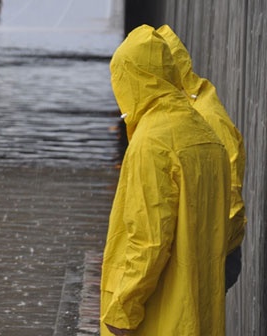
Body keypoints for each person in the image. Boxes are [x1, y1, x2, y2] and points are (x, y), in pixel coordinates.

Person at [100, 25, 231, 335]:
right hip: (199, 315)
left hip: (158, 320)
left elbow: (148, 240)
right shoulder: (206, 134)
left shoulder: (152, 143)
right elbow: (229, 228)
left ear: (133, 78)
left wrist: (122, 311)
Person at [156, 24, 246, 293]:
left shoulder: (205, 116)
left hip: (210, 250)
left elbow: (229, 189)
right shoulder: (187, 107)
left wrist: (212, 247)